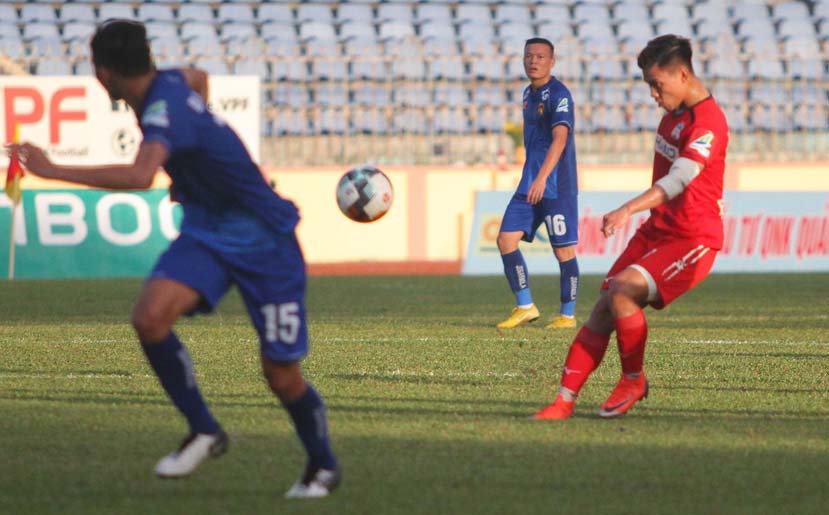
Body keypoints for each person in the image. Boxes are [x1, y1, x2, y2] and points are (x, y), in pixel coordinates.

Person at [6, 20, 340, 497]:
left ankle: (323, 465)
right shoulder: (172, 82)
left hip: (265, 239)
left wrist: (53, 169)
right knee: (150, 317)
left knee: (281, 375)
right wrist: (194, 167)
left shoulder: (163, 110)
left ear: (103, 74)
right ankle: (204, 430)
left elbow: (140, 176)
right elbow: (199, 78)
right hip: (208, 231)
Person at [534, 34, 729, 419]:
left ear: (683, 75)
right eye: (648, 86)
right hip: (658, 231)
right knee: (605, 306)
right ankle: (563, 402)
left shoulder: (708, 122)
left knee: (623, 290)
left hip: (693, 238)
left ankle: (633, 380)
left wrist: (627, 209)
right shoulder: (672, 115)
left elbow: (679, 179)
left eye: (657, 84)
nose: (653, 94)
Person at [496, 37, 580, 330]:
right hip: (529, 184)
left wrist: (543, 178)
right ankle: (525, 306)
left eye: (541, 57)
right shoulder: (527, 94)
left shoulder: (559, 94)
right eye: (529, 56)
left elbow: (560, 138)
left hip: (556, 185)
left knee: (563, 251)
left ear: (552, 61)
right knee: (506, 240)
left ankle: (567, 315)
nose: (533, 61)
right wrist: (534, 178)